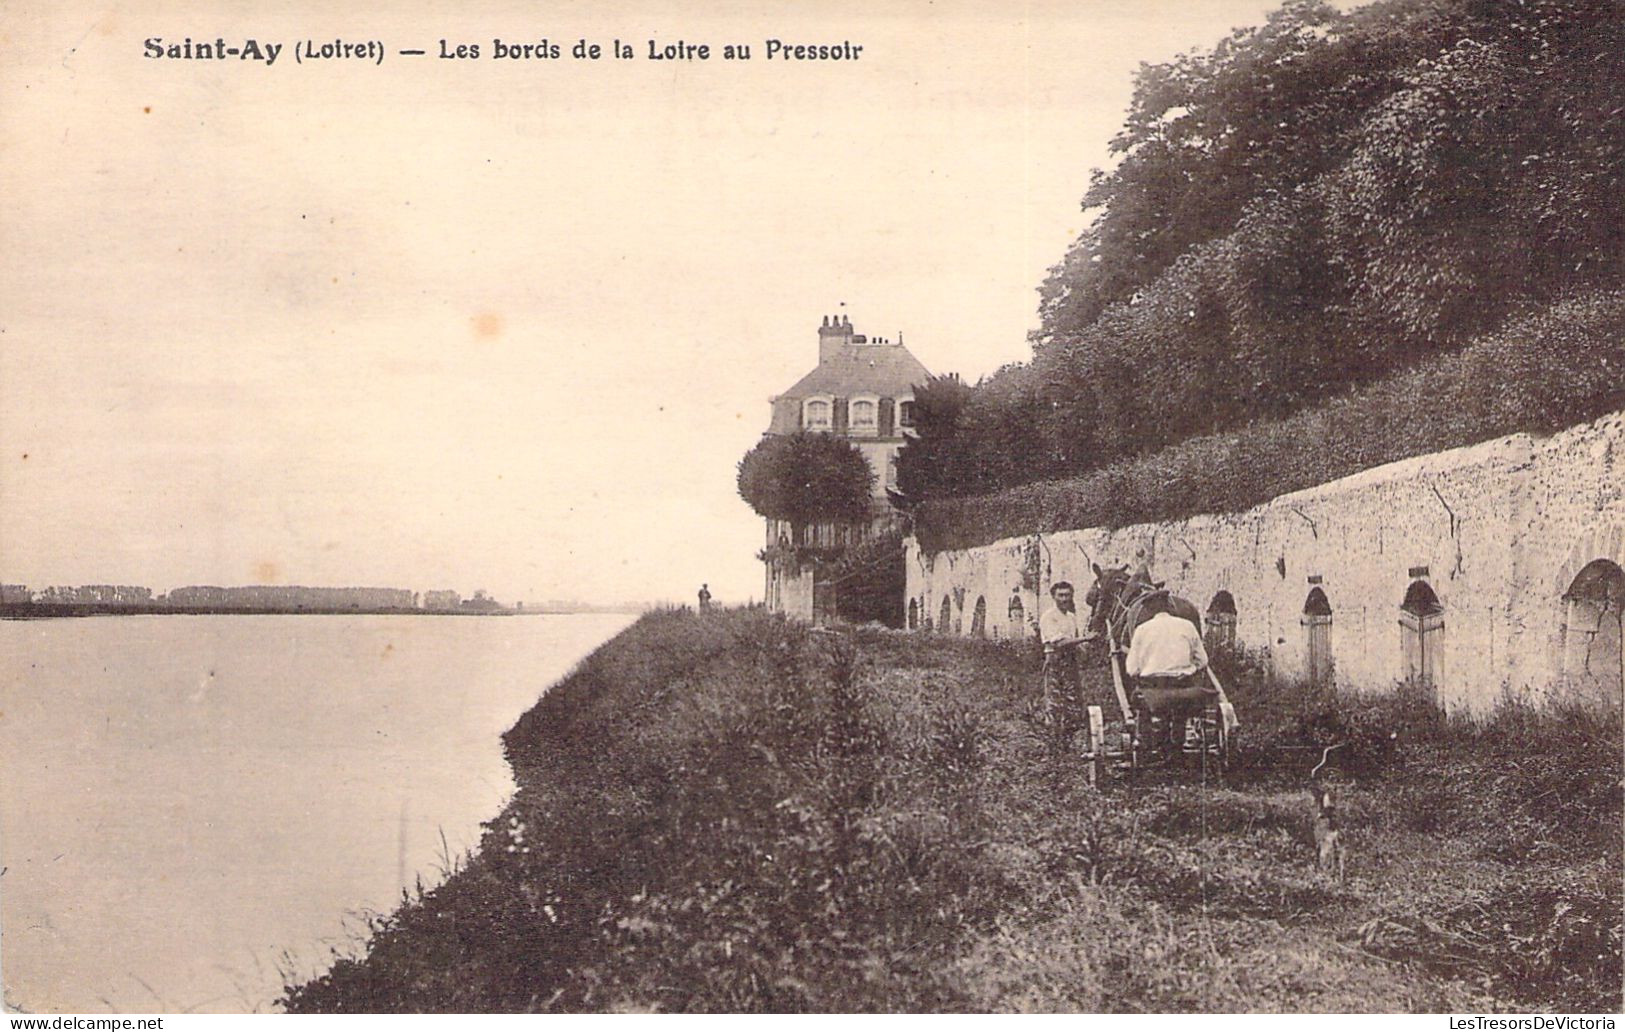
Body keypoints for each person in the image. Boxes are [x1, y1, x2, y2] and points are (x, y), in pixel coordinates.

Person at [1125, 595, 1212, 759]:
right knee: (1180, 706)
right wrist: (1189, 668)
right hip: (1183, 687)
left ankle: (1147, 744)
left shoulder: (1142, 630)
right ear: (1170, 607)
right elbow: (1203, 661)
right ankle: (1177, 744)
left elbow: (1132, 669)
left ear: (1149, 611)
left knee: (1141, 700)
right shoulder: (1187, 626)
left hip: (1153, 689)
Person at [1039, 581, 1094, 752]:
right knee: (1055, 703)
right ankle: (1054, 745)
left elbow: (1073, 642)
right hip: (1055, 660)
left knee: (1073, 701)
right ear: (1053, 596)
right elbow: (1060, 643)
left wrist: (1084, 649)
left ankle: (1068, 743)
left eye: (1067, 595)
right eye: (1061, 595)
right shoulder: (1049, 617)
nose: (1064, 599)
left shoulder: (1071, 617)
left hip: (1070, 661)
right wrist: (1086, 639)